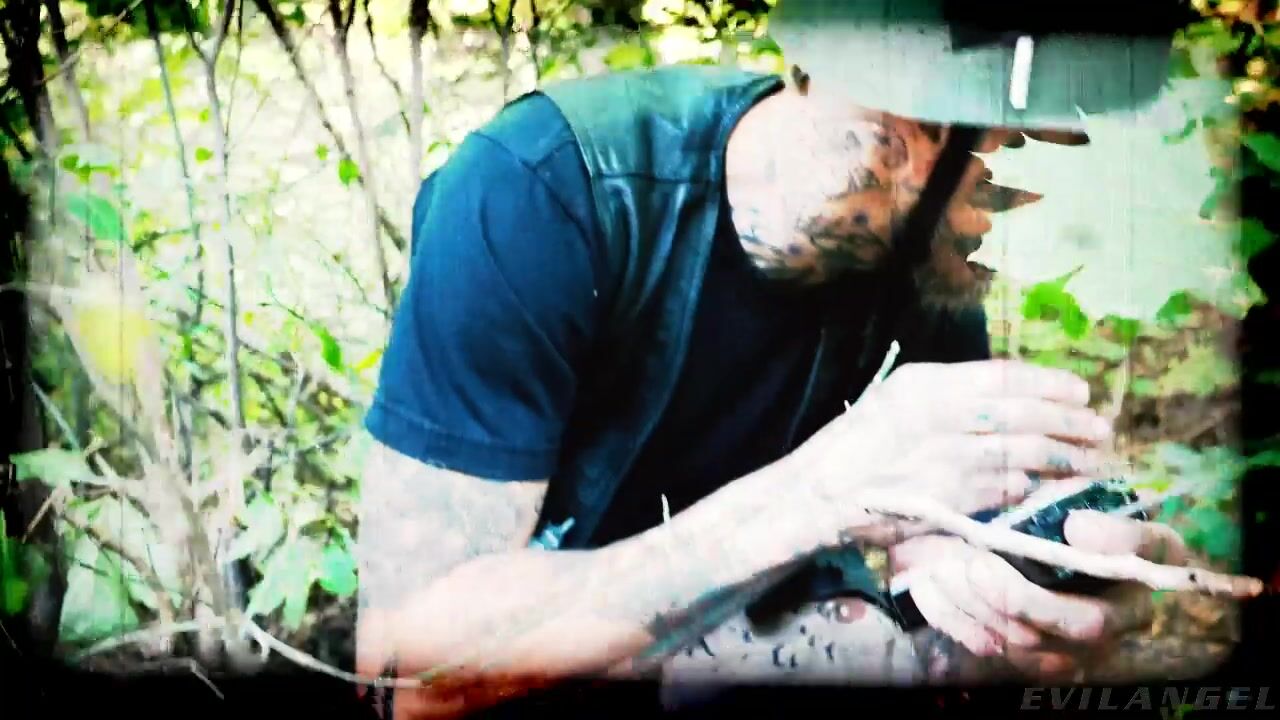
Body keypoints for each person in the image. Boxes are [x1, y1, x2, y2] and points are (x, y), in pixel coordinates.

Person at [353, 1, 1200, 717]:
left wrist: (1020, 595)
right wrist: (823, 493)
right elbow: (408, 673)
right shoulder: (545, 192)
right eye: (1012, 138)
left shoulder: (925, 268)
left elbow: (932, 576)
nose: (1024, 188)